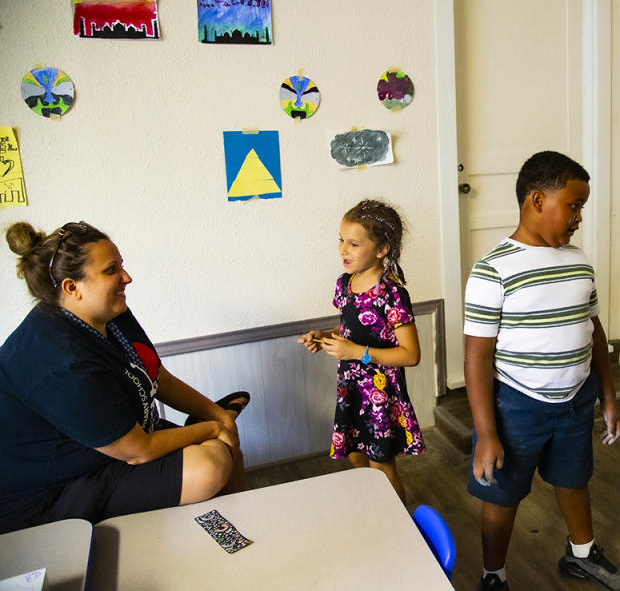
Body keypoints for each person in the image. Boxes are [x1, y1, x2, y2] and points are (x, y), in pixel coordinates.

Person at [0, 221, 249, 533]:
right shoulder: (62, 361)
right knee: (210, 465)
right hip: (51, 493)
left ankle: (244, 531)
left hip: (116, 442)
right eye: (111, 270)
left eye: (122, 266)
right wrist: (211, 426)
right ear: (72, 287)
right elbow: (138, 451)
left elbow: (156, 375)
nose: (127, 278)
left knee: (226, 441)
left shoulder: (108, 311)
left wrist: (216, 415)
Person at [463, 151, 620, 591]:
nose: (579, 217)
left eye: (582, 207)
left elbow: (593, 331)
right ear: (537, 200)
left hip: (576, 400)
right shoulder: (493, 270)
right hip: (518, 406)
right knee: (503, 495)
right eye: (574, 205)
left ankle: (581, 554)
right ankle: (494, 575)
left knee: (574, 479)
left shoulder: (579, 262)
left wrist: (608, 394)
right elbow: (477, 358)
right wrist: (486, 434)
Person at [298, 199, 424, 501]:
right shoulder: (345, 284)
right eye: (341, 240)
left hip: (380, 394)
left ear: (381, 249)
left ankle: (398, 526)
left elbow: (410, 354)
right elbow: (353, 330)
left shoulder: (391, 293)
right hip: (351, 388)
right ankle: (374, 513)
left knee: (381, 465)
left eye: (353, 244)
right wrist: (325, 336)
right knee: (356, 456)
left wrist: (357, 353)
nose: (343, 250)